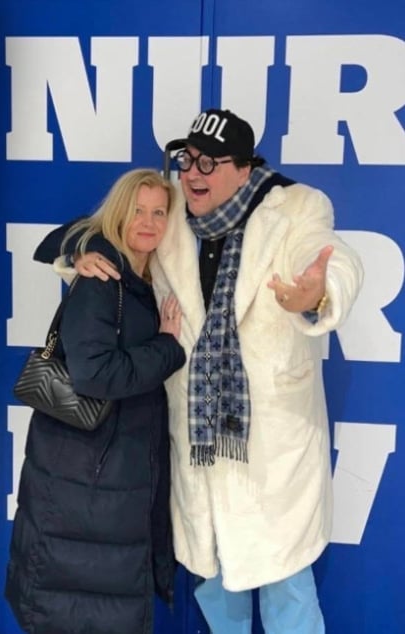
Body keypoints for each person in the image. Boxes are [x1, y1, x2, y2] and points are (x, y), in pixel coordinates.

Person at [72, 109, 364, 633]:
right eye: (187, 159)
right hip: (197, 439)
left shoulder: (296, 206)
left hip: (272, 446)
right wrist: (83, 253)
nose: (192, 173)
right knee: (214, 580)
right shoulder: (169, 209)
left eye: (209, 162)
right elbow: (104, 229)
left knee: (287, 585)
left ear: (244, 169)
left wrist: (320, 291)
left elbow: (333, 257)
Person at [5, 169, 187, 633]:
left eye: (159, 212)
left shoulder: (140, 276)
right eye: (137, 211)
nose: (148, 222)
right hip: (89, 475)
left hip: (103, 473)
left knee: (91, 603)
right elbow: (95, 375)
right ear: (118, 214)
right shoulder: (103, 278)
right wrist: (168, 347)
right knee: (78, 607)